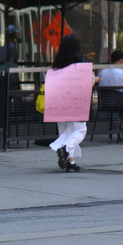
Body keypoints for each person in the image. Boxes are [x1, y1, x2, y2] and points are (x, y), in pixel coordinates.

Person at [49, 34, 100, 172]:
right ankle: (66, 149)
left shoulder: (58, 62)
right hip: (76, 101)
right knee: (80, 130)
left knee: (65, 131)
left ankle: (70, 162)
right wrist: (95, 80)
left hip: (59, 101)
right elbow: (86, 83)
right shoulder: (81, 62)